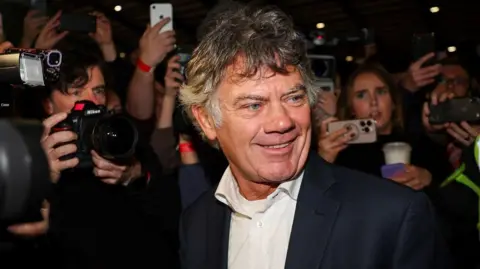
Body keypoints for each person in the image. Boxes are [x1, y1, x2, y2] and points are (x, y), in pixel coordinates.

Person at [178, 3, 451, 269]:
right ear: (206, 119)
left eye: (294, 97)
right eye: (254, 104)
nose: (282, 121)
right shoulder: (196, 223)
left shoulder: (394, 216)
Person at [7, 47, 181, 268]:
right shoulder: (27, 158)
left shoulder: (123, 138)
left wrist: (134, 175)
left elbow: (172, 214)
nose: (92, 102)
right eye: (77, 92)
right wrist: (41, 178)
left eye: (98, 90)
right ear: (48, 105)